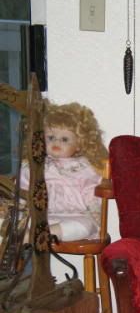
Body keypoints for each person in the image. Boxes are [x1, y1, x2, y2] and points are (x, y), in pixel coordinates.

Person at [21, 101, 107, 241]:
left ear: (79, 144)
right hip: (42, 216)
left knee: (85, 226)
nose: (56, 142)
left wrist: (95, 211)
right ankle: (34, 236)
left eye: (64, 139)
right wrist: (22, 205)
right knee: (18, 223)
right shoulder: (37, 165)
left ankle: (35, 237)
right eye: (51, 138)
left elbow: (90, 191)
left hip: (76, 215)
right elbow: (24, 187)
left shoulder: (83, 168)